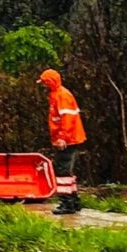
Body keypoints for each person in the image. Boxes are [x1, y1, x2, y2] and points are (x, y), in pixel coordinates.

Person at [41, 68, 86, 214]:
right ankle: (74, 201)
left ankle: (67, 204)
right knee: (66, 171)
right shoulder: (57, 94)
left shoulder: (62, 96)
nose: (43, 86)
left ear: (50, 82)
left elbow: (67, 119)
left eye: (45, 82)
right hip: (69, 138)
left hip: (68, 139)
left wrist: (62, 138)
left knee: (62, 172)